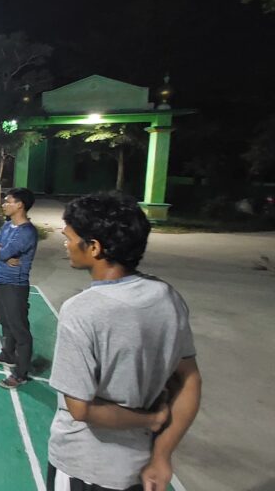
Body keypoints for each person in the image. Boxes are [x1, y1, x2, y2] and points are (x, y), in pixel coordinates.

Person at [49, 194, 201, 491]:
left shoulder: (81, 311)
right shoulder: (166, 297)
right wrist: (162, 456)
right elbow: (190, 380)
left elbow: (80, 410)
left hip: (84, 467)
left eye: (69, 238)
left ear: (94, 247)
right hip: (137, 466)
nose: (65, 244)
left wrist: (151, 419)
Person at [0, 187, 38, 389]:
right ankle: (8, 355)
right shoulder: (7, 225)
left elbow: (4, 252)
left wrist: (1, 253)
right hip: (0, 280)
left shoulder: (26, 232)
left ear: (20, 205)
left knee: (19, 329)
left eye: (8, 201)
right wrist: (1, 253)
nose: (4, 204)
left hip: (15, 285)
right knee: (4, 320)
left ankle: (21, 374)